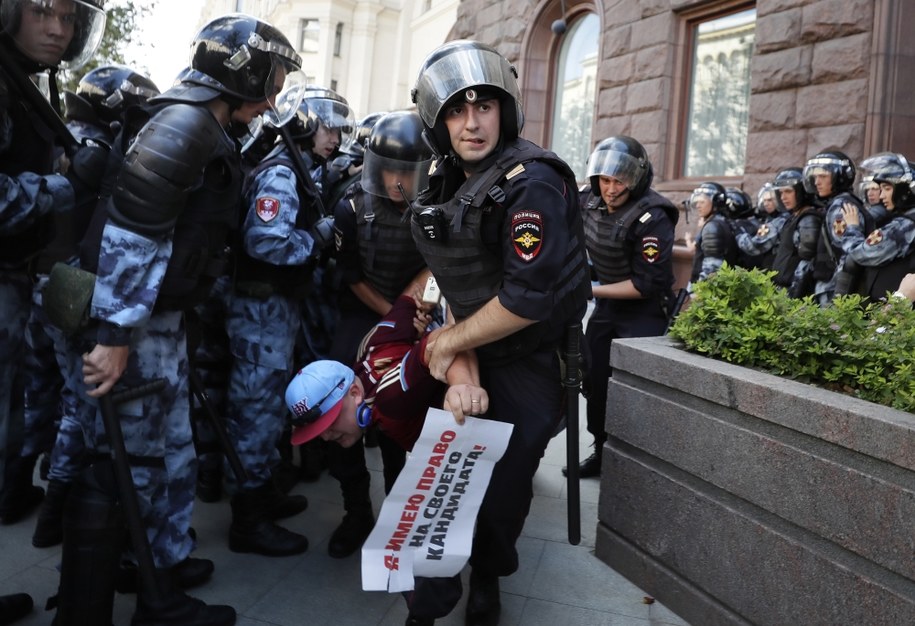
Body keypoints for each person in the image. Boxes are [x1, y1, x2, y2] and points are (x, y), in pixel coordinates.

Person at [62, 13, 302, 625]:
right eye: (271, 76)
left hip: (158, 323)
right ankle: (138, 597)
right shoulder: (185, 124)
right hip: (131, 327)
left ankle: (158, 574)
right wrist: (115, 337)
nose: (273, 95)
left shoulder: (203, 123)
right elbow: (133, 235)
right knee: (133, 466)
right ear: (243, 72)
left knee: (170, 459)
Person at [407, 39, 591, 626]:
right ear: (439, 123)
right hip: (470, 348)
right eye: (457, 111)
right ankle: (426, 603)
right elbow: (454, 280)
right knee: (444, 476)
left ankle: (488, 574)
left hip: (530, 358)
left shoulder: (531, 182)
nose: (472, 122)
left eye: (483, 106)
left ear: (504, 110)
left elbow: (526, 298)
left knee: (504, 486)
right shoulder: (442, 181)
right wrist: (457, 358)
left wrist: (447, 345)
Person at [0, 1, 106, 621]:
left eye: (67, 17)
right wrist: (65, 184)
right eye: (41, 11)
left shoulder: (25, 81)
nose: (58, 28)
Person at [26, 65, 160, 549]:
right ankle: (63, 513)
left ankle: (39, 504)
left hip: (44, 281)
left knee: (52, 393)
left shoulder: (56, 141)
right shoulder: (102, 153)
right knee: (83, 407)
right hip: (79, 285)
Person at [222, 91, 337, 558]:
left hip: (276, 309)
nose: (337, 136)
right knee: (254, 411)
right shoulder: (281, 172)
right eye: (329, 127)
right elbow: (265, 243)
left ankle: (263, 493)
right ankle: (247, 521)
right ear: (306, 126)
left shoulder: (295, 168)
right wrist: (314, 241)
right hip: (260, 311)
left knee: (268, 410)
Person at [322, 110, 433, 558]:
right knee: (336, 404)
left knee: (398, 416)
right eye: (391, 171)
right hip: (365, 308)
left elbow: (438, 265)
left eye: (408, 173)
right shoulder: (350, 206)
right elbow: (349, 276)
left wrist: (415, 310)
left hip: (414, 309)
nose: (398, 182)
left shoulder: (434, 208)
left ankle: (397, 515)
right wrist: (394, 317)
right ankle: (356, 511)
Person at [565, 135, 677, 479]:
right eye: (605, 179)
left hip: (643, 311)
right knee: (595, 381)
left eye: (619, 181)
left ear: (636, 179)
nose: (611, 189)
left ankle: (635, 464)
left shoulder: (653, 217)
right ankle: (600, 450)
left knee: (634, 390)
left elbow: (646, 284)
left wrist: (590, 291)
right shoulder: (588, 200)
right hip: (607, 303)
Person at [284, 271, 487, 458]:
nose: (326, 436)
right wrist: (431, 300)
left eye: (329, 421)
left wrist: (464, 384)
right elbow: (435, 273)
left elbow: (442, 342)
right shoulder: (369, 348)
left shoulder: (391, 400)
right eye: (317, 430)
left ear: (354, 393)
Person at [838, 152, 915, 301]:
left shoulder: (905, 225)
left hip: (895, 314)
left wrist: (853, 227)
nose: (881, 196)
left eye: (887, 188)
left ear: (905, 189)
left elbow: (861, 254)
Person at [803, 149, 865, 305]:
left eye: (823, 176)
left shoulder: (840, 208)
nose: (817, 182)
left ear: (839, 178)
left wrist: (838, 297)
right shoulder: (839, 203)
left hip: (832, 289)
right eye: (815, 176)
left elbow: (845, 256)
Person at [769, 167, 823, 298]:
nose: (783, 197)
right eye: (781, 192)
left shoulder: (808, 220)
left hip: (794, 295)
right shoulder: (794, 217)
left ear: (802, 191)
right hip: (781, 290)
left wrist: (793, 296)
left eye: (788, 191)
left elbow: (806, 264)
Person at [687, 181, 739, 287]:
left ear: (716, 202)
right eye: (697, 202)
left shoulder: (712, 226)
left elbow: (712, 266)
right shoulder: (722, 221)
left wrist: (700, 290)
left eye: (702, 202)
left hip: (707, 288)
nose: (698, 206)